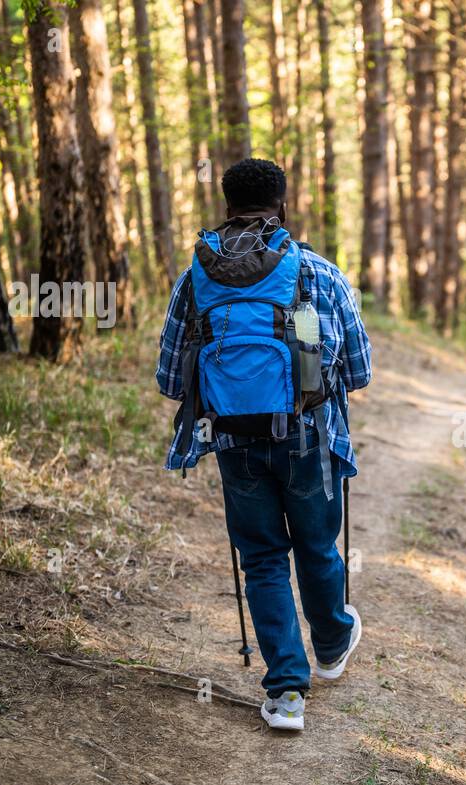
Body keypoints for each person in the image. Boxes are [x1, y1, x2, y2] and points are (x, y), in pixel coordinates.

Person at [156, 158, 372, 731]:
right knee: (317, 547)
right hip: (309, 436)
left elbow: (170, 381)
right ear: (282, 204)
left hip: (233, 439)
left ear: (227, 206)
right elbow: (358, 370)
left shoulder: (195, 278)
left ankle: (286, 694)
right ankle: (331, 645)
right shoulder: (319, 273)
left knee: (262, 559)